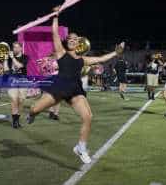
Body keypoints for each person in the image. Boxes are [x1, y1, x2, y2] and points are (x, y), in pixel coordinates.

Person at [26, 13, 125, 164]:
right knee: (34, 109)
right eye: (70, 38)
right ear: (67, 42)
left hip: (75, 91)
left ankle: (81, 147)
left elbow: (100, 59)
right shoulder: (61, 53)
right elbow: (54, 32)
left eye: (75, 39)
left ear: (79, 43)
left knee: (88, 116)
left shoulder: (83, 59)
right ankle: (32, 114)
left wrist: (116, 52)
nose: (73, 40)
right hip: (59, 88)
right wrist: (56, 16)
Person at [3, 42, 28, 128]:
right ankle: (14, 122)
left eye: (17, 47)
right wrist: (6, 59)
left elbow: (20, 66)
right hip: (12, 80)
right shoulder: (9, 58)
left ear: (21, 48)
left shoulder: (25, 57)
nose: (15, 49)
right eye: (14, 47)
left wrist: (12, 57)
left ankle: (17, 119)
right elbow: (6, 70)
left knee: (21, 101)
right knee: (14, 100)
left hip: (23, 81)